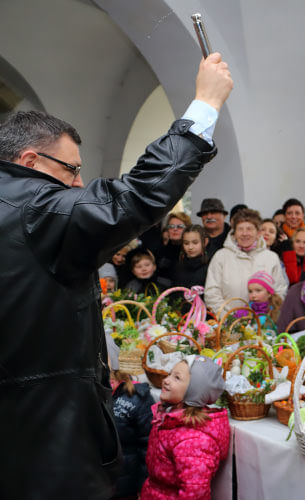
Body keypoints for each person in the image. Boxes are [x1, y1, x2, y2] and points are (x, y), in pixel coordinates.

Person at [0, 52, 232, 499]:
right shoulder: (32, 209)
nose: (77, 184)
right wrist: (205, 103)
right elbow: (133, 197)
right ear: (30, 162)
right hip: (48, 451)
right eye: (71, 170)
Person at [140, 356, 230, 499]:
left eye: (177, 378)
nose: (166, 380)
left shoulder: (194, 440)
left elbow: (194, 491)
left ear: (194, 391)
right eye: (170, 373)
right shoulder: (170, 418)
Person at [204, 208, 287, 315]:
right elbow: (212, 293)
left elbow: (280, 291)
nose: (244, 233)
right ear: (234, 233)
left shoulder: (271, 258)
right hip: (228, 324)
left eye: (249, 229)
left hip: (264, 324)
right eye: (240, 229)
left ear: (258, 233)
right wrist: (229, 318)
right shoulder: (221, 256)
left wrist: (267, 316)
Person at [108, 353, 154, 500]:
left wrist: (142, 484)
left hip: (124, 483)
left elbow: (147, 446)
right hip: (100, 479)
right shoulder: (97, 391)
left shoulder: (137, 397)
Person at [170, 224, 210, 289]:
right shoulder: (178, 266)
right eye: (186, 243)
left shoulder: (211, 266)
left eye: (195, 242)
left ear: (205, 242)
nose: (190, 247)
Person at [156, 211, 192, 281]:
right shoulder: (160, 252)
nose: (175, 229)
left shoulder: (192, 251)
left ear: (188, 229)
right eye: (171, 226)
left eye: (180, 226)